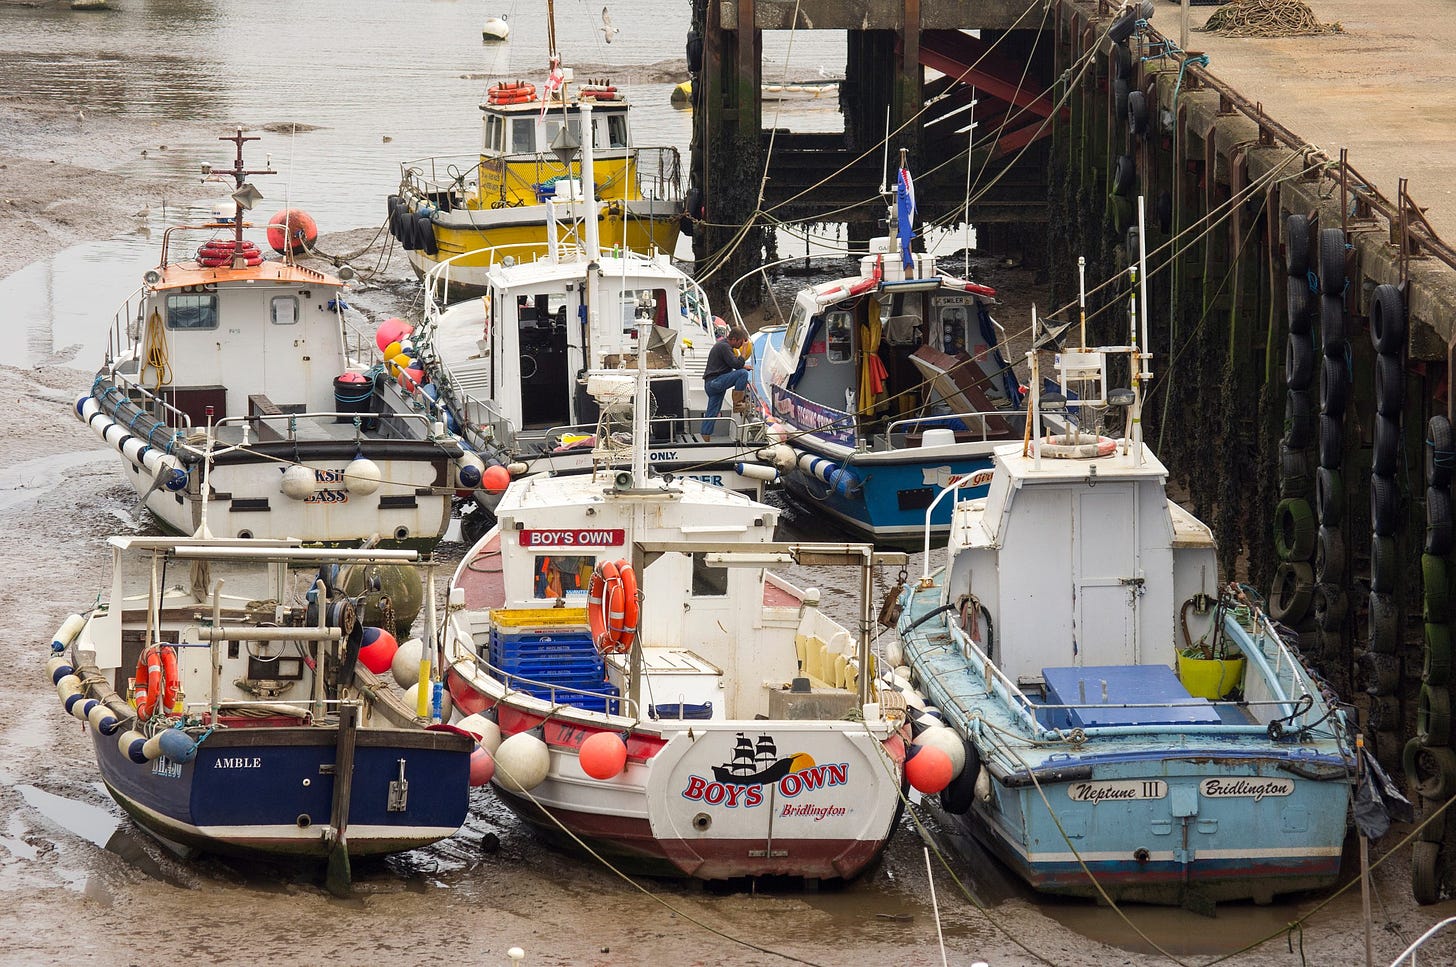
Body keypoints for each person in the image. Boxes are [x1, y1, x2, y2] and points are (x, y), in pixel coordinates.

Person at [701, 325, 752, 438]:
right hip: (715, 382)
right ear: (734, 339)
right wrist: (744, 352)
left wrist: (742, 367)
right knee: (743, 374)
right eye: (740, 343)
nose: (740, 346)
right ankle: (738, 404)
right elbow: (736, 364)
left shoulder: (723, 345)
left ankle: (705, 436)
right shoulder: (724, 346)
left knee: (712, 412)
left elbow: (731, 363)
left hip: (711, 384)